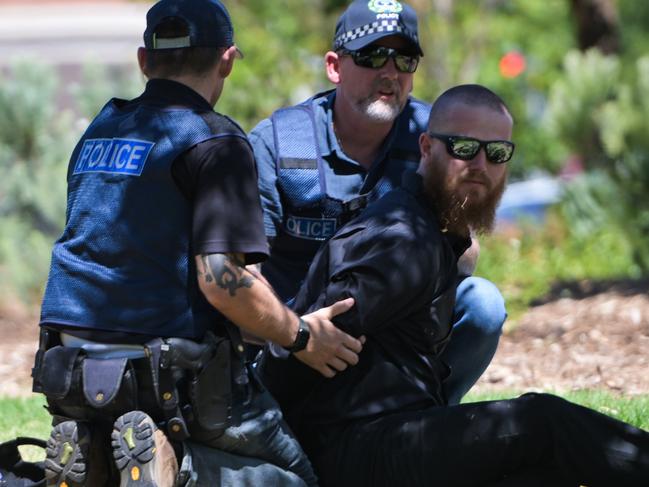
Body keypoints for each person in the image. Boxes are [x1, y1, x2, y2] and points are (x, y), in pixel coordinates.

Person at [31, 1, 363, 486]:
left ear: (145, 61)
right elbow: (221, 281)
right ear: (227, 60)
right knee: (296, 476)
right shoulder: (215, 142)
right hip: (164, 378)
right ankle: (181, 468)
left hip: (67, 372)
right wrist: (300, 336)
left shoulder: (100, 130)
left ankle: (99, 453)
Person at [260, 84, 649, 487]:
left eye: (496, 152)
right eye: (464, 148)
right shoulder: (403, 241)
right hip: (355, 449)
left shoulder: (433, 229)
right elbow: (300, 356)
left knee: (541, 472)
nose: (480, 164)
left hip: (396, 432)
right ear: (427, 148)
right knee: (543, 422)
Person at [249, 0, 505, 404]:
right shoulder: (277, 143)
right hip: (294, 334)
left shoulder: (434, 137)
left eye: (404, 59)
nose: (390, 72)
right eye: (371, 56)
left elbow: (464, 255)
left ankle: (432, 417)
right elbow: (242, 273)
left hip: (396, 331)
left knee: (483, 304)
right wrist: (296, 332)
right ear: (334, 66)